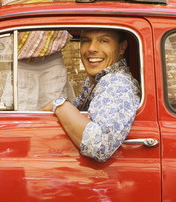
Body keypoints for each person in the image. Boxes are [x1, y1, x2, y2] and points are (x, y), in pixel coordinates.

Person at [43, 29, 140, 162]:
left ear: (122, 47)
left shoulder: (117, 83)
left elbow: (99, 146)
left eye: (104, 41)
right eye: (86, 41)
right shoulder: (99, 83)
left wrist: (60, 105)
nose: (92, 48)